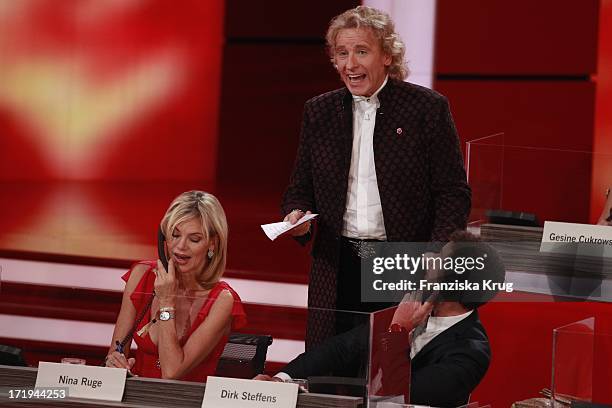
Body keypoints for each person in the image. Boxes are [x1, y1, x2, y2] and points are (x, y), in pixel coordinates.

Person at [281, 6, 471, 346]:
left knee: (390, 371)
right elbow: (300, 188)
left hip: (400, 261)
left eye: (361, 51)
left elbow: (453, 193)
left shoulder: (426, 108)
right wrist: (297, 216)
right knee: (329, 373)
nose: (350, 64)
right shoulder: (319, 111)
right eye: (342, 53)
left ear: (387, 55)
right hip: (335, 264)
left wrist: (435, 251)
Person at [256, 232, 505, 407]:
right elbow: (341, 349)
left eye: (439, 260)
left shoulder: (470, 352)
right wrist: (281, 379)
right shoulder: (413, 306)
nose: (428, 259)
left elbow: (400, 397)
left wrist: (398, 330)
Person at [105, 191, 246, 381]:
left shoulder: (222, 300)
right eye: (175, 235)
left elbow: (171, 373)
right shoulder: (141, 275)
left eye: (194, 239)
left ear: (213, 244)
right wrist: (114, 363)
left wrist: (166, 302)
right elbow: (116, 351)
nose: (180, 247)